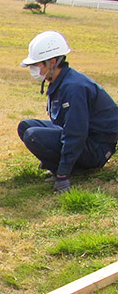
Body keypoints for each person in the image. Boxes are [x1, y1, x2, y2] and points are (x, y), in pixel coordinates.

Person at [17, 31, 118, 193]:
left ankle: (70, 169)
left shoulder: (74, 88)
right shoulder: (60, 81)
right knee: (25, 126)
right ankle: (61, 164)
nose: (33, 70)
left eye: (37, 65)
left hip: (96, 148)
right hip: (85, 137)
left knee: (33, 135)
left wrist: (63, 175)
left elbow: (75, 134)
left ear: (53, 62)